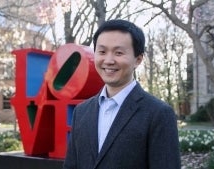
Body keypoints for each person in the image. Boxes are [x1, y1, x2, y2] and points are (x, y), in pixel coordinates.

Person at [63, 19, 181, 169]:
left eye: (118, 53)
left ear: (138, 59)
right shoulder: (81, 111)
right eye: (102, 52)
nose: (109, 60)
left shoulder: (158, 114)